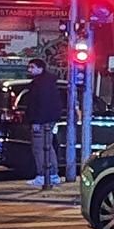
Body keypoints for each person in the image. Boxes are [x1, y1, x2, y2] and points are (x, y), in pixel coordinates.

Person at [21, 57, 65, 188]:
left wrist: (36, 120)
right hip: (49, 119)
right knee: (48, 146)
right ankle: (53, 175)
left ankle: (42, 175)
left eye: (32, 67)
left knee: (39, 148)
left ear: (41, 68)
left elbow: (38, 104)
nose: (30, 70)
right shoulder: (50, 83)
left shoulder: (39, 84)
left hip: (41, 120)